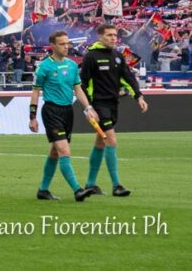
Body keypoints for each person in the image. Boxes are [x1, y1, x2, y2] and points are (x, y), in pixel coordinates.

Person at [79, 24, 148, 197]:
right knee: (111, 140)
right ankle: (116, 185)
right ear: (100, 36)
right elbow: (82, 85)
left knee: (100, 142)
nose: (113, 38)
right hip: (99, 105)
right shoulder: (91, 57)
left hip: (113, 104)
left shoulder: (118, 56)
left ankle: (90, 184)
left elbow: (128, 77)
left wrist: (138, 96)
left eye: (115, 35)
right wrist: (88, 107)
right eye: (109, 35)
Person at [30, 31, 98, 202]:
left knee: (55, 151)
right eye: (62, 44)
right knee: (64, 150)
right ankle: (77, 190)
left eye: (67, 43)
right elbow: (36, 92)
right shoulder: (44, 67)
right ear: (52, 45)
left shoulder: (72, 65)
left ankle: (43, 190)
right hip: (52, 111)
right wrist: (32, 116)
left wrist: (88, 107)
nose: (66, 46)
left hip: (68, 112)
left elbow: (78, 89)